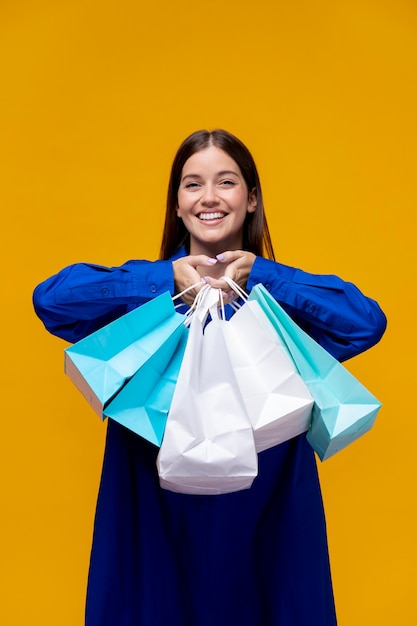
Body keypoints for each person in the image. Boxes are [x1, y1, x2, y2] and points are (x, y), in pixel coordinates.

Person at [33, 129, 387, 626]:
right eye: (192, 184)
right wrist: (162, 280)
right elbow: (51, 301)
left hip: (269, 525)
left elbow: (365, 323)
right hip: (152, 521)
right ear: (176, 204)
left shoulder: (277, 299)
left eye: (227, 182)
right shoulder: (145, 298)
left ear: (251, 199)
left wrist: (264, 276)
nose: (210, 197)